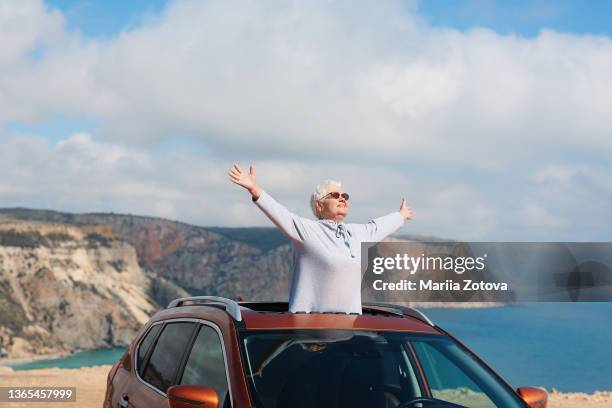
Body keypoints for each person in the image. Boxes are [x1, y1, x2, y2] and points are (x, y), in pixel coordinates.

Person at [229, 164, 413, 314]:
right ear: (319, 204)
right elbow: (280, 213)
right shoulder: (308, 230)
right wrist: (254, 189)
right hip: (308, 330)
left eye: (345, 196)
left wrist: (401, 215)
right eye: (335, 195)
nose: (342, 199)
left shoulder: (356, 234)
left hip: (348, 332)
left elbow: (376, 227)